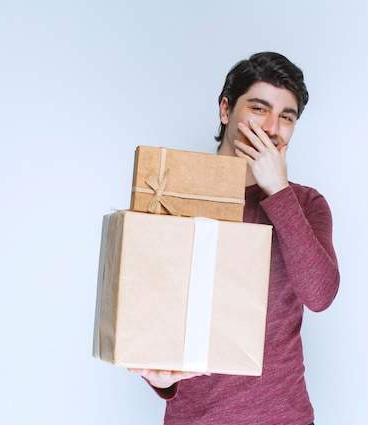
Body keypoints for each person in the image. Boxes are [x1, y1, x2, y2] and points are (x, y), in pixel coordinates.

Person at [129, 51, 340, 425]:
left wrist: (277, 191)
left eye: (286, 117)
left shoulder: (306, 204)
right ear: (226, 109)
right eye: (258, 109)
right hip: (195, 418)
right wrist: (161, 381)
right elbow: (153, 313)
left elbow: (320, 296)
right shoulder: (170, 193)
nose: (272, 128)